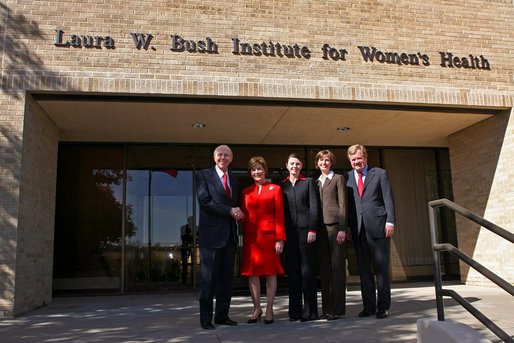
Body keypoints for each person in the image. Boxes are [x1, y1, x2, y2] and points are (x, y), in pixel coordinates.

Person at [196, 144, 243, 330]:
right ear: (214, 158)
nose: (223, 158)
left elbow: (235, 204)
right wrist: (230, 211)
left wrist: (237, 211)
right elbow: (205, 201)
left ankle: (222, 316)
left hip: (229, 237)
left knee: (226, 280)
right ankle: (205, 319)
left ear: (231, 158)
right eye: (220, 155)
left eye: (227, 155)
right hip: (211, 236)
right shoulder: (203, 175)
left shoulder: (234, 178)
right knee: (208, 280)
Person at [346, 144, 395, 319]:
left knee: (381, 269)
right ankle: (369, 307)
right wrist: (348, 227)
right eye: (353, 160)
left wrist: (390, 221)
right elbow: (349, 206)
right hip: (358, 230)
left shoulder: (380, 174)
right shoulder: (347, 177)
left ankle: (383, 306)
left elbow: (388, 199)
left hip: (379, 227)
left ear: (365, 158)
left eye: (359, 158)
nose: (356, 162)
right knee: (364, 270)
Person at [239, 156, 286, 325]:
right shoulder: (246, 192)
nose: (256, 172)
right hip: (251, 238)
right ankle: (256, 308)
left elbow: (279, 216)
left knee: (270, 273)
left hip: (269, 237)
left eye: (259, 168)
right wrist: (239, 216)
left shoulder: (275, 189)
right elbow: (244, 215)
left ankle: (269, 309)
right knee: (252, 273)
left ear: (265, 170)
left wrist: (280, 239)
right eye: (253, 169)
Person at [281, 153, 319, 322]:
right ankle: (294, 311)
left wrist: (313, 229)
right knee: (294, 272)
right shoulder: (282, 186)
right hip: (289, 233)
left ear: (301, 165)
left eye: (297, 164)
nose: (294, 166)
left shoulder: (308, 182)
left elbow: (314, 207)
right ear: (287, 166)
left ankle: (310, 311)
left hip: (306, 232)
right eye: (291, 164)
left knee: (307, 272)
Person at [315, 149, 348, 321]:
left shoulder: (338, 179)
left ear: (331, 162)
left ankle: (337, 309)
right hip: (321, 230)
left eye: (327, 160)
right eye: (321, 160)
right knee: (325, 270)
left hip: (336, 228)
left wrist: (343, 228)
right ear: (317, 163)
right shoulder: (317, 182)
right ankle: (326, 308)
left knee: (337, 269)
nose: (324, 163)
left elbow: (343, 205)